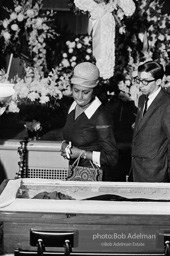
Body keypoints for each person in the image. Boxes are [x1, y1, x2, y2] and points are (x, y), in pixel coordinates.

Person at [60, 62, 118, 181]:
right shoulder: (73, 107)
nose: (80, 97)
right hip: (76, 175)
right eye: (76, 91)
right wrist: (65, 146)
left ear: (94, 91)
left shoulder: (101, 116)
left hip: (96, 180)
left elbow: (112, 158)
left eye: (85, 92)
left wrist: (82, 153)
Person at [130, 60, 170, 182]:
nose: (140, 85)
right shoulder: (142, 99)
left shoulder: (167, 104)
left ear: (158, 82)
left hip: (156, 171)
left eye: (145, 82)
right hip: (137, 167)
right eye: (139, 80)